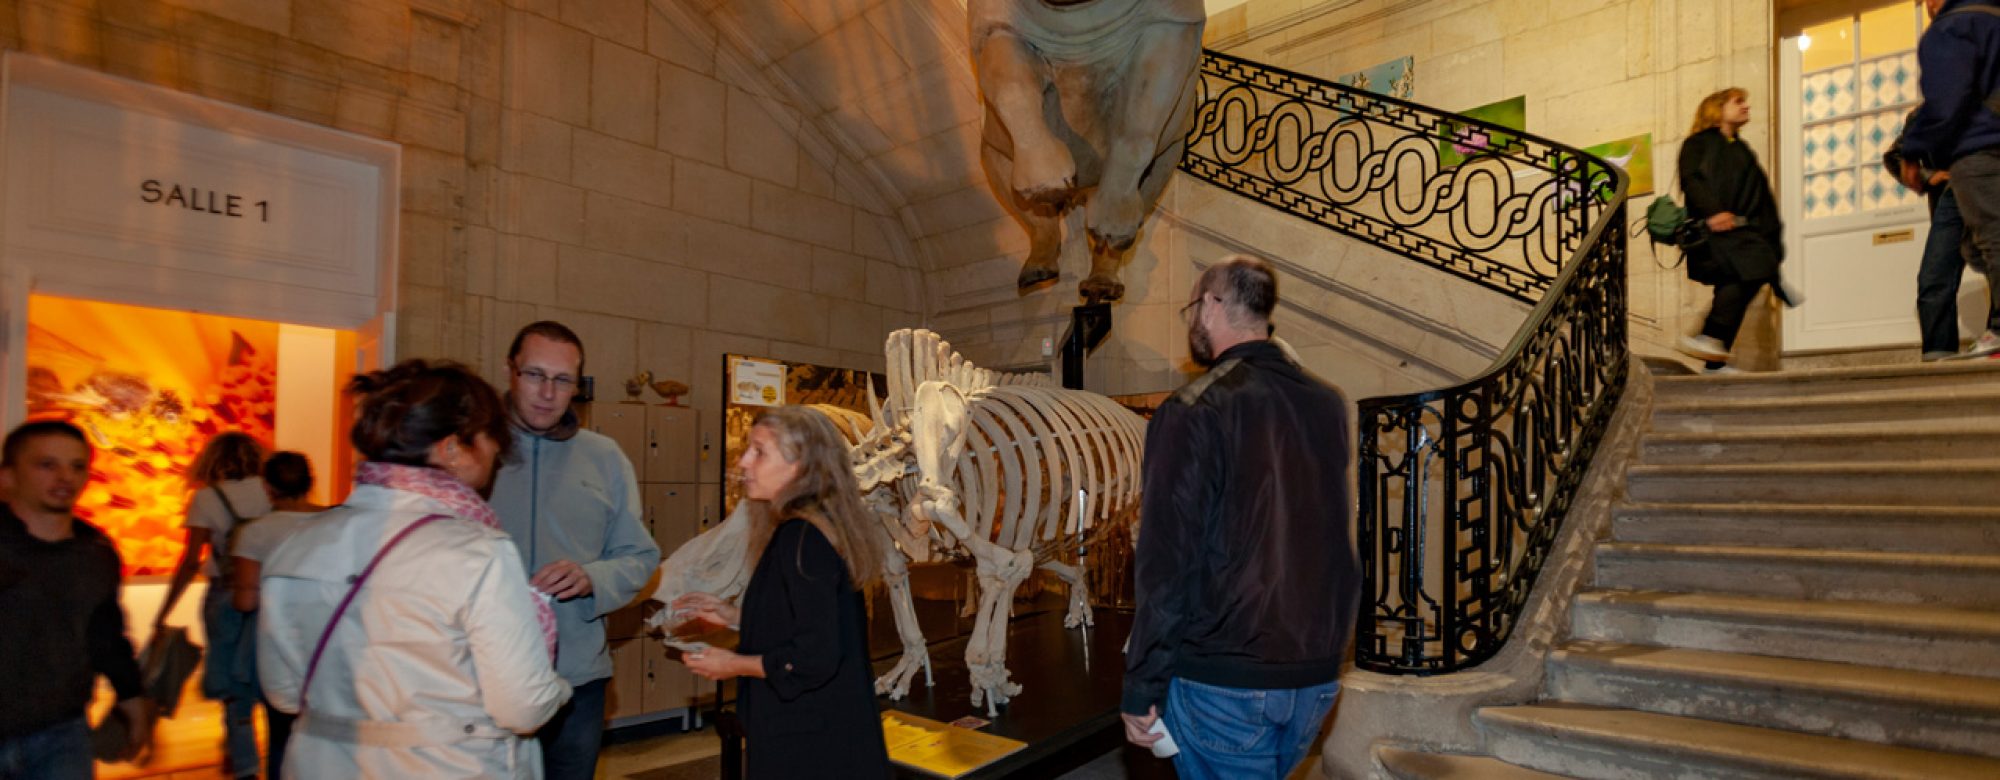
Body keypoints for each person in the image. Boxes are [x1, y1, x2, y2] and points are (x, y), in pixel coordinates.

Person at [257, 360, 571, 779]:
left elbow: (283, 693)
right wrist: (560, 689)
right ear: (453, 448)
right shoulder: (476, 551)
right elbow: (523, 707)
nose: (496, 452)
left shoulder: (295, 544)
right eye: (490, 437)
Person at [1120, 256, 1361, 779]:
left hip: (1224, 679)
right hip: (1315, 674)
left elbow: (1167, 562)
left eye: (1191, 307)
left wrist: (1142, 685)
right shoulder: (1326, 402)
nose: (1191, 319)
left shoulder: (1193, 409)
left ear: (1211, 305)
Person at [671, 406, 891, 780]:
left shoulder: (802, 537)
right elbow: (809, 621)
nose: (743, 462)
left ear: (799, 465)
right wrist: (734, 616)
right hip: (829, 736)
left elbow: (816, 656)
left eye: (759, 451)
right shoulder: (817, 529)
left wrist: (732, 665)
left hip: (808, 746)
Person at [488, 321, 659, 780]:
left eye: (563, 380)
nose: (547, 392)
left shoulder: (604, 458)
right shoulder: (474, 452)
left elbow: (639, 558)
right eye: (534, 375)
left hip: (576, 682)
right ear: (510, 371)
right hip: (484, 678)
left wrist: (593, 578)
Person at [0, 420, 155, 777]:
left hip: (62, 731)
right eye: (47, 465)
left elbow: (104, 632)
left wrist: (131, 697)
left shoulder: (95, 552)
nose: (65, 477)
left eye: (76, 466)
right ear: (8, 477)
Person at [156, 431, 271, 779]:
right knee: (269, 678)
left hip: (225, 594)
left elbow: (191, 560)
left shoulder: (207, 498)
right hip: (270, 592)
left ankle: (244, 764)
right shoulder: (271, 492)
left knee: (231, 684)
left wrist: (165, 610)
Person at [1900, 0, 2000, 359]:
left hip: (1978, 151)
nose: (1927, 4)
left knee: (1991, 241)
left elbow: (1946, 101)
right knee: (1967, 254)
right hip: (1964, 170)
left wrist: (1913, 152)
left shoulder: (1953, 26)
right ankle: (1938, 350)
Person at [1673, 88, 1796, 374]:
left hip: (1744, 233)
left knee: (1741, 280)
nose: (1746, 106)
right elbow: (1691, 180)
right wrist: (1713, 211)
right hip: (1716, 231)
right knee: (1742, 277)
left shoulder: (1741, 149)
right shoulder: (1697, 144)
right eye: (1738, 101)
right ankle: (1708, 338)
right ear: (1717, 108)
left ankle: (1713, 360)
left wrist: (1772, 238)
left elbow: (1760, 196)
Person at [227, 451, 323, 779]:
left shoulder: (255, 532)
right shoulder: (335, 522)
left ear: (268, 487)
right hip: (330, 639)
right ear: (311, 483)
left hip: (277, 642)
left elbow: (245, 602)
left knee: (281, 731)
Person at [1885, 115, 1979, 361]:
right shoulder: (1925, 112)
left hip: (1988, 185)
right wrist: (1929, 176)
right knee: (1934, 276)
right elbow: (1895, 156)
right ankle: (1938, 356)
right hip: (1952, 194)